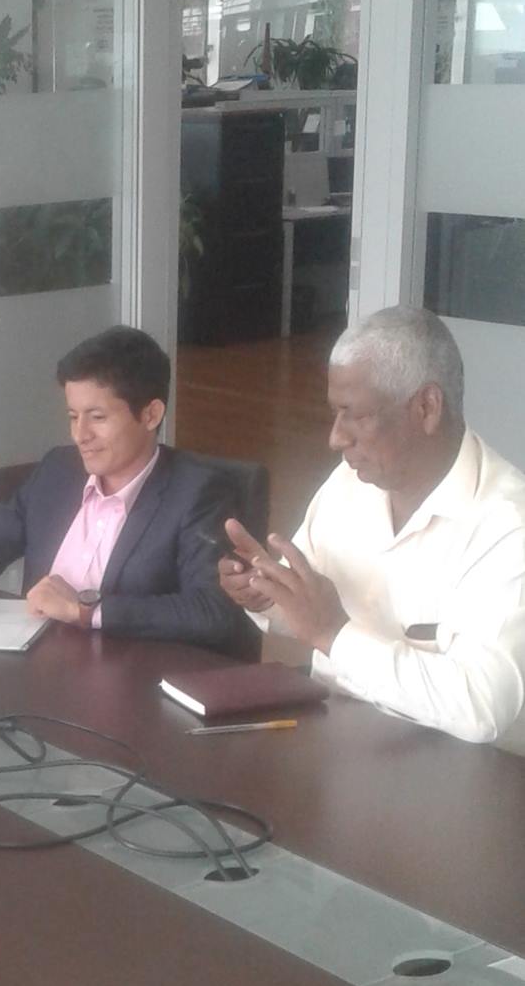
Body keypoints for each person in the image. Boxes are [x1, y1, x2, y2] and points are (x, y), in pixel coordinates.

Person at [218, 305, 525, 751]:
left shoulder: (508, 525)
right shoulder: (350, 484)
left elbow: (481, 705)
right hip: (337, 741)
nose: (335, 437)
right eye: (334, 414)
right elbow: (306, 609)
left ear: (426, 407)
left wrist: (335, 635)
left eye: (354, 414)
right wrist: (264, 592)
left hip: (455, 773)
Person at [0, 326, 248, 655]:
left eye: (97, 417)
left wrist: (87, 610)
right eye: (73, 416)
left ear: (151, 415)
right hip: (38, 666)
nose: (80, 435)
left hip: (132, 674)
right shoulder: (58, 471)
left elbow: (212, 611)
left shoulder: (198, 492)